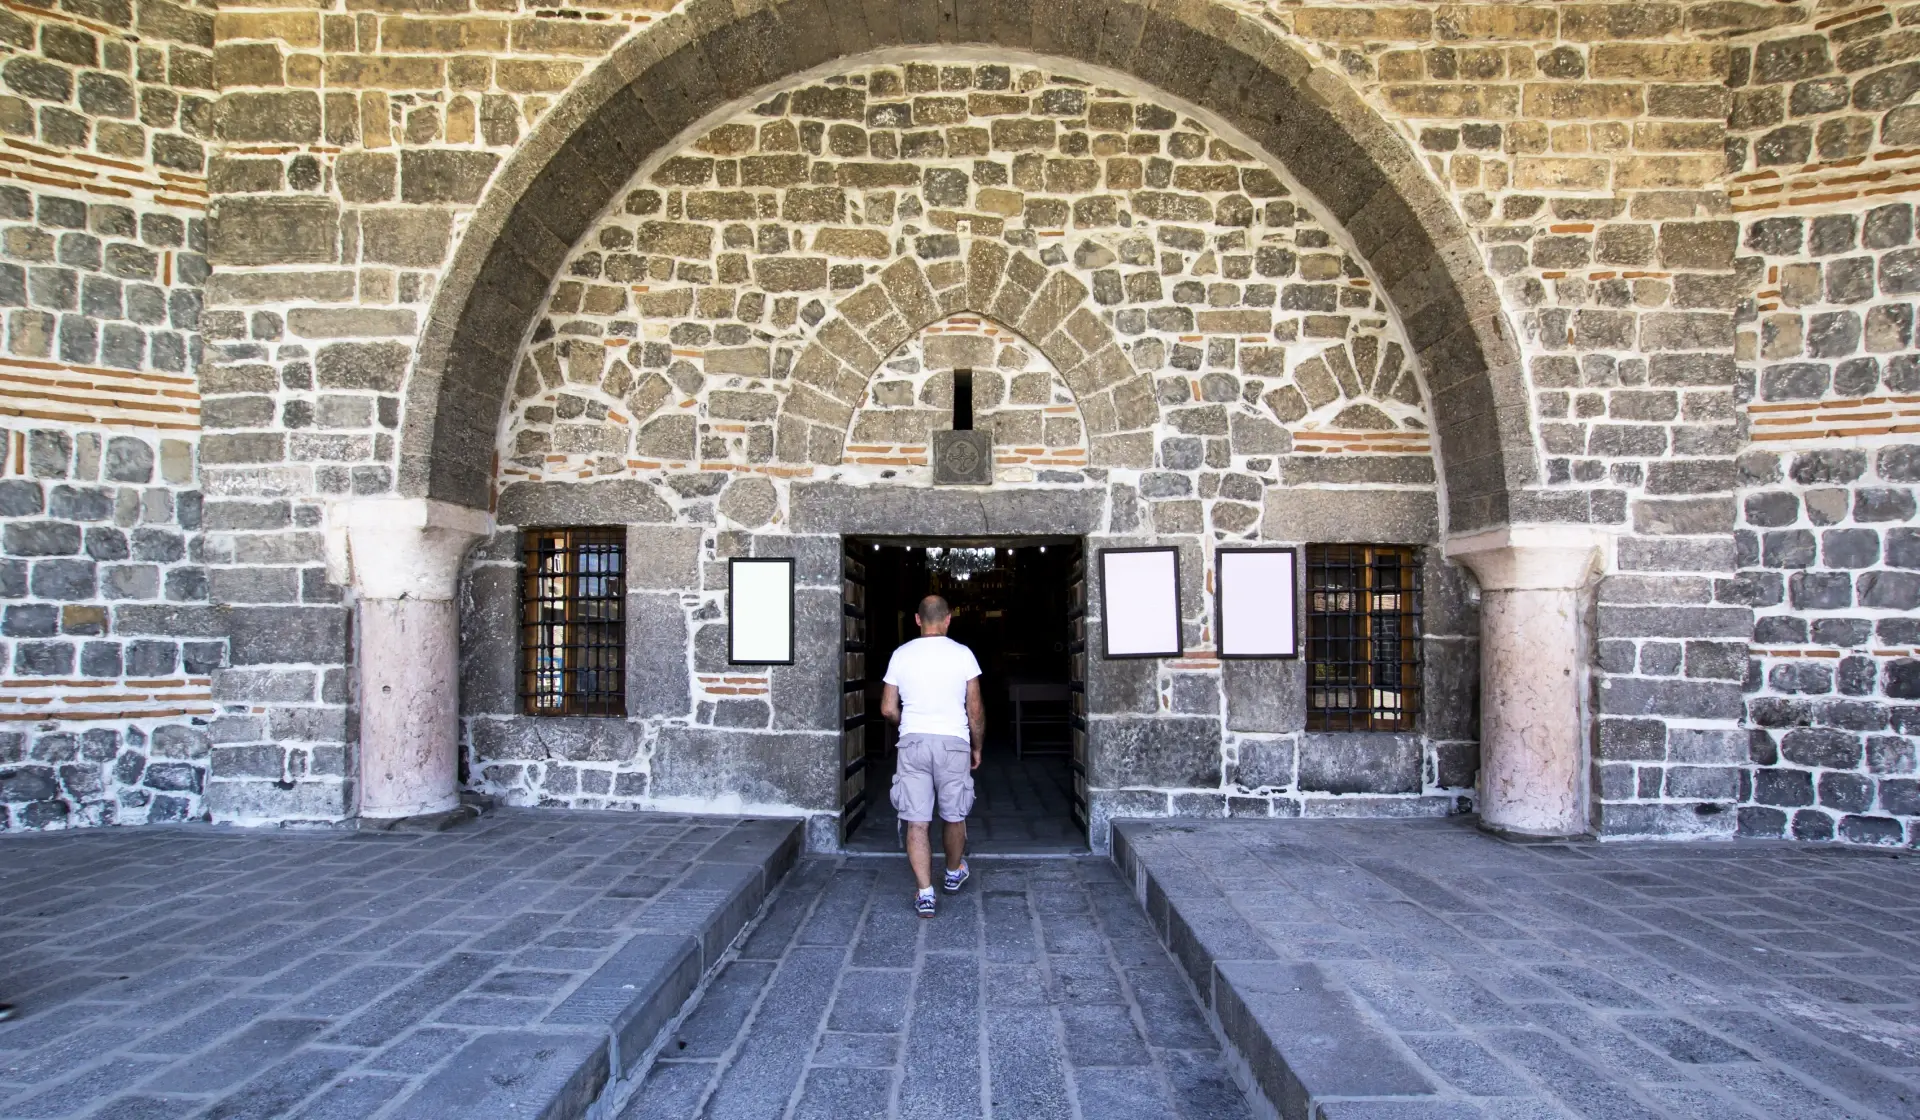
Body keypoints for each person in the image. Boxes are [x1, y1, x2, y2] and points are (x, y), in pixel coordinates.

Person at [880, 594, 984, 918]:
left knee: (916, 819)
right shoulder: (963, 655)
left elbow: (887, 708)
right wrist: (977, 746)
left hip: (913, 743)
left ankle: (925, 894)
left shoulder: (901, 655)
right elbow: (974, 709)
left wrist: (907, 725)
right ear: (948, 619)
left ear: (917, 620)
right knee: (954, 814)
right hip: (954, 742)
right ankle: (952, 873)